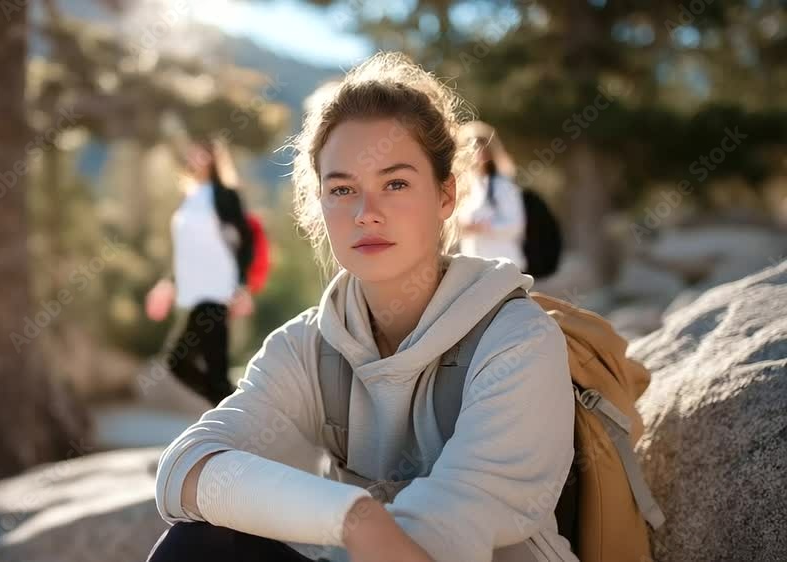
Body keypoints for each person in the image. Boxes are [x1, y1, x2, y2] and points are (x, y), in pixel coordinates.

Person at [149, 52, 576, 562]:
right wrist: (354, 517)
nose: (366, 213)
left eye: (395, 183)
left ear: (446, 195)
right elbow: (184, 469)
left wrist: (349, 523)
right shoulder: (307, 345)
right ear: (319, 203)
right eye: (343, 189)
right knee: (197, 545)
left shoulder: (517, 340)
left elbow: (436, 542)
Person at [145, 137, 255, 406]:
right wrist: (168, 283)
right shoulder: (189, 196)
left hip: (217, 289)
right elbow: (185, 249)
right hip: (194, 292)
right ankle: (235, 411)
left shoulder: (225, 195)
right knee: (203, 368)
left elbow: (246, 240)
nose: (197, 159)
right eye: (194, 153)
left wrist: (241, 284)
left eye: (204, 154)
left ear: (215, 159)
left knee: (181, 361)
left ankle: (235, 413)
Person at [455, 121, 528, 271]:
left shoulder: (503, 185)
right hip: (473, 267)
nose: (476, 153)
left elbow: (515, 225)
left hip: (503, 267)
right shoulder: (463, 186)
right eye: (471, 147)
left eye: (480, 147)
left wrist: (482, 227)